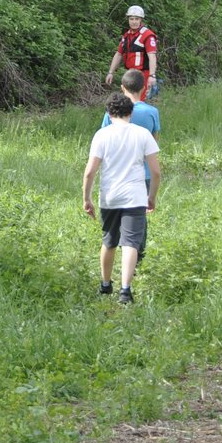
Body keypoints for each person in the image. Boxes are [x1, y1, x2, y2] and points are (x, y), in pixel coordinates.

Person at [83, 91, 162, 304]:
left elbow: (90, 172)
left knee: (109, 241)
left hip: (109, 197)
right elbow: (156, 172)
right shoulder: (142, 134)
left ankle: (105, 285)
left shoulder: (102, 135)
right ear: (131, 111)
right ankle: (125, 291)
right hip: (135, 197)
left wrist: (86, 198)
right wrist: (151, 196)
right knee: (131, 243)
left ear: (109, 113)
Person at [105, 5, 159, 100]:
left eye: (136, 19)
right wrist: (111, 72)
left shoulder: (147, 35)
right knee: (128, 102)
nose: (134, 22)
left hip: (143, 75)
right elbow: (119, 54)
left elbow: (152, 57)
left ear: (141, 19)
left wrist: (152, 75)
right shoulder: (127, 36)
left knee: (138, 102)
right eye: (131, 19)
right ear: (128, 19)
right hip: (130, 74)